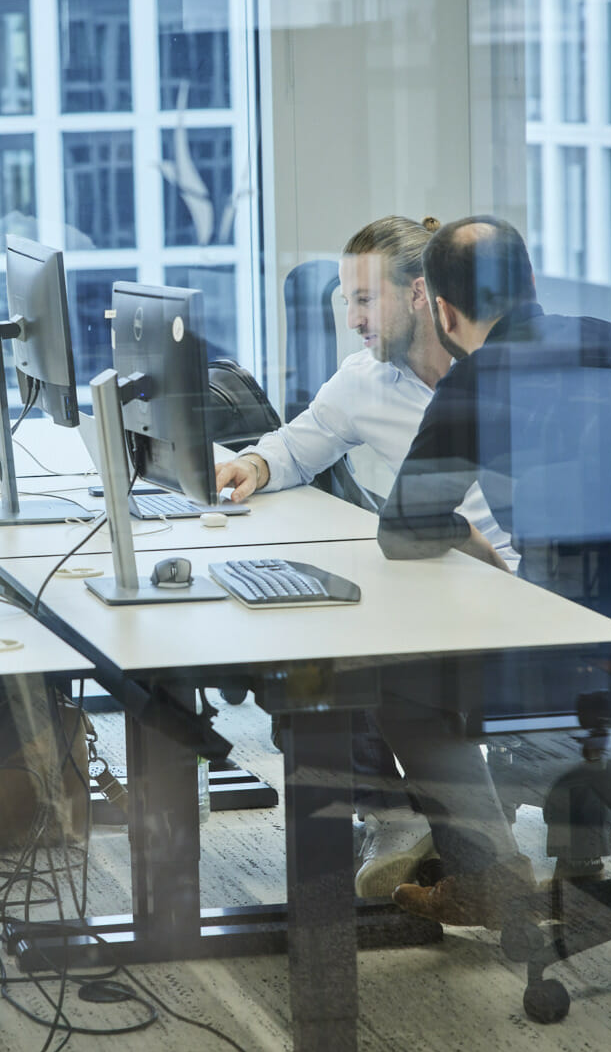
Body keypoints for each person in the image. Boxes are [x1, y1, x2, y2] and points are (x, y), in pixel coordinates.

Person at [213, 214, 514, 899]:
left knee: (352, 653)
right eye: (345, 300)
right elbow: (301, 442)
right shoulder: (366, 381)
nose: (350, 319)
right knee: (302, 643)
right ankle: (394, 814)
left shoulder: (505, 370)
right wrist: (256, 465)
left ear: (418, 295)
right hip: (442, 572)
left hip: (523, 587)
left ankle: (454, 845)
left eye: (362, 299)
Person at [376, 215, 611, 928]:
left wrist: (472, 540)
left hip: (574, 645)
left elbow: (403, 527)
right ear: (530, 282)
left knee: (399, 679)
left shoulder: (476, 382)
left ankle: (485, 872)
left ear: (442, 310)